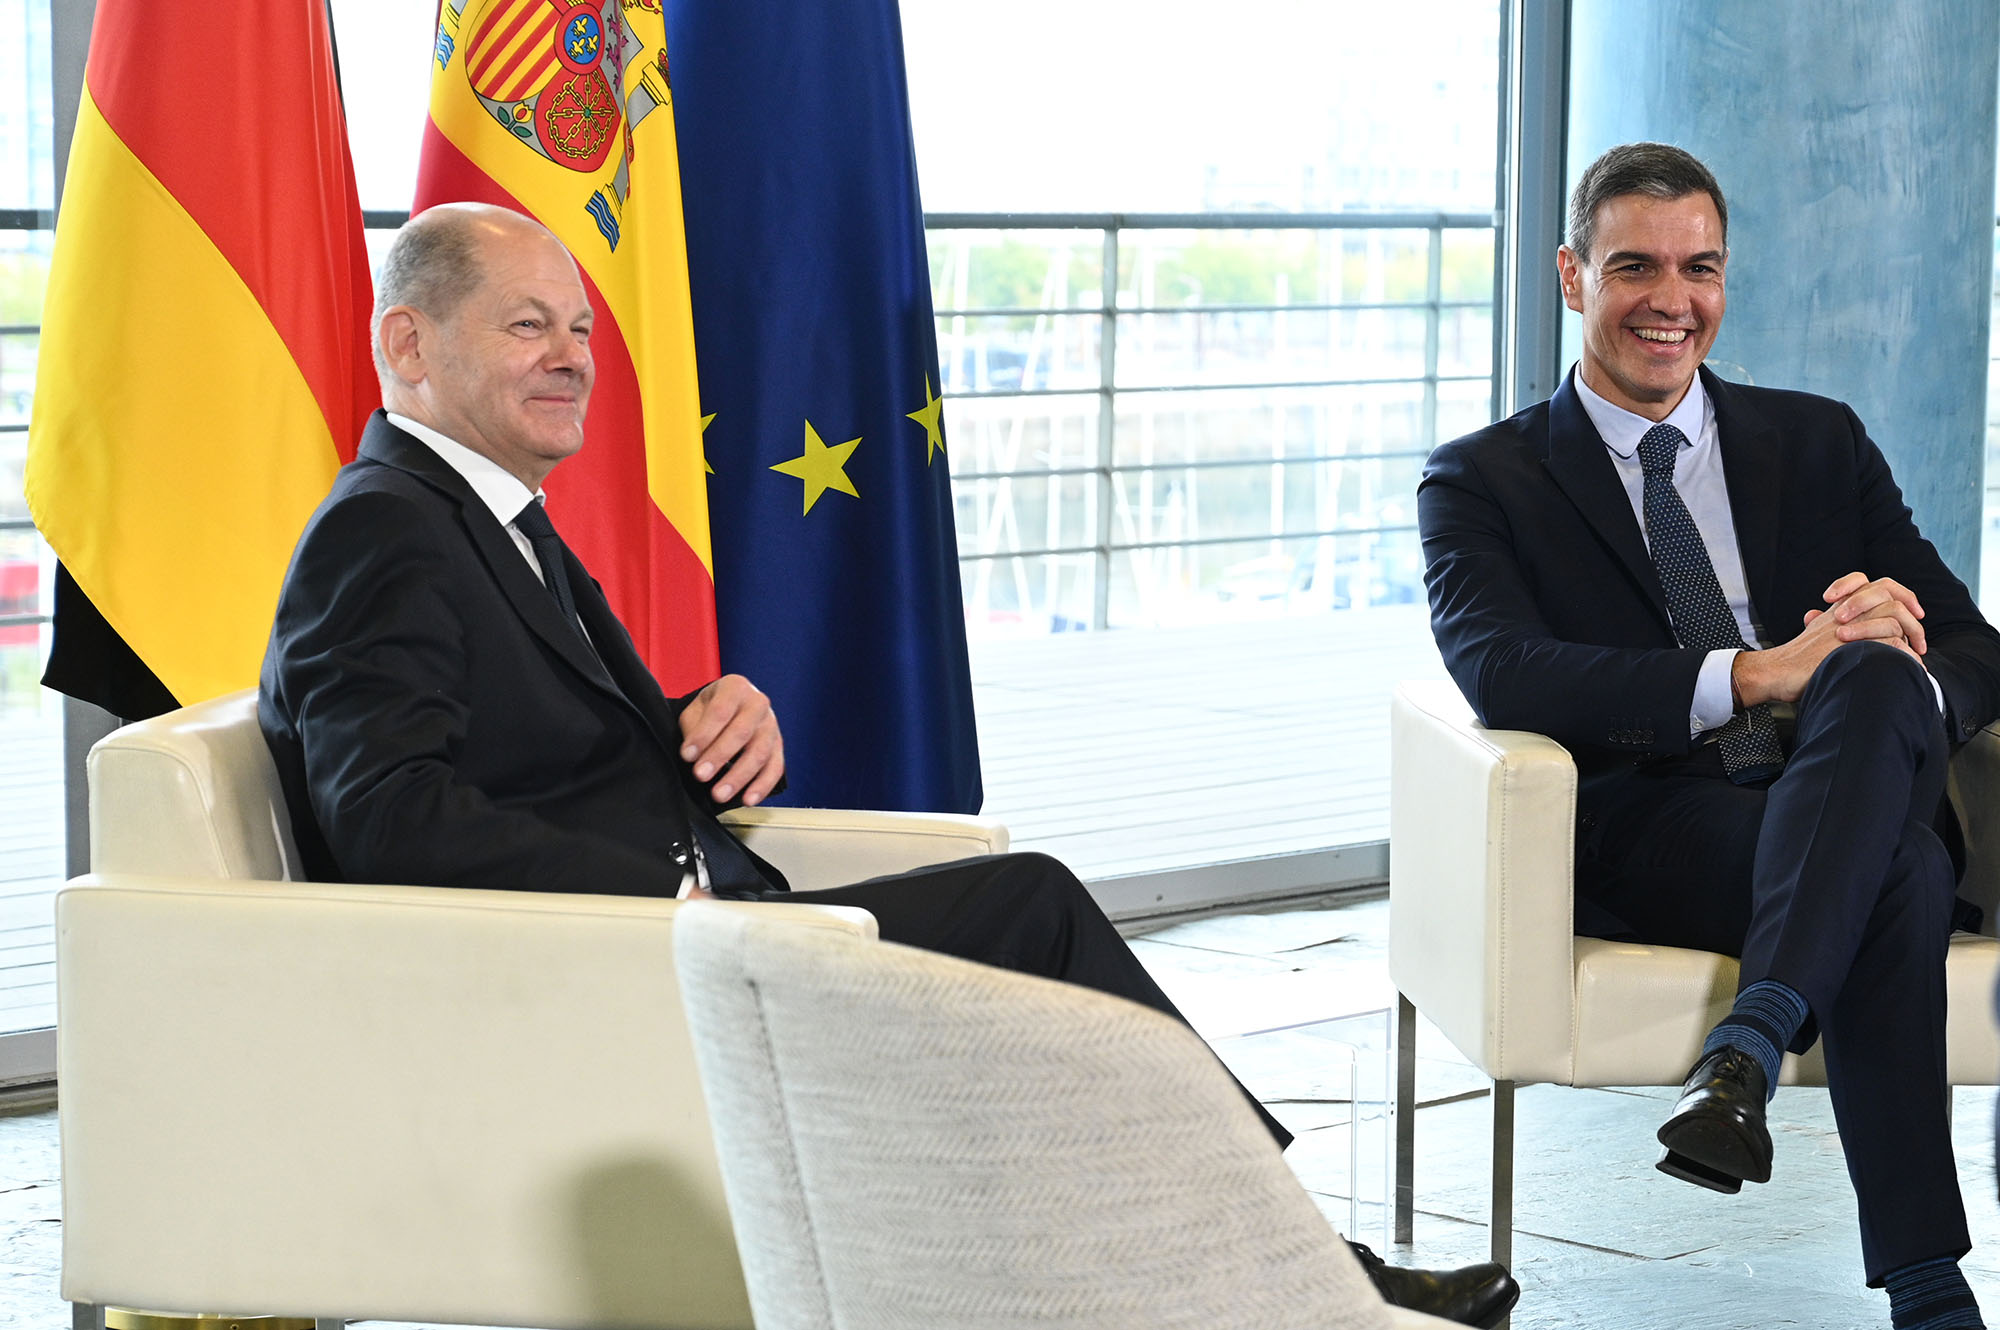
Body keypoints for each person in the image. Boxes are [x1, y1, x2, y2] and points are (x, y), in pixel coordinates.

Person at [258, 201, 1519, 1329]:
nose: (574, 356)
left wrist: (709, 718)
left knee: (1033, 949)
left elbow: (544, 742)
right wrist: (668, 898)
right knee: (1029, 910)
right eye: (528, 324)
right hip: (614, 977)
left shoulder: (490, 520)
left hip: (697, 938)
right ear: (408, 347)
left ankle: (1239, 1267)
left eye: (580, 326)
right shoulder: (385, 528)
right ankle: (1296, 1269)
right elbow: (392, 820)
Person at [1420, 141, 2000, 1328]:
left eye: (1701, 269)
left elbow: (1976, 647)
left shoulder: (1817, 440)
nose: (1670, 302)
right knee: (1892, 864)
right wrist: (1753, 673)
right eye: (1634, 266)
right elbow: (1498, 666)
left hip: (1842, 780)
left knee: (1886, 676)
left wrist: (1883, 673)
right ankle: (1928, 1289)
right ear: (1573, 276)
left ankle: (1746, 1046)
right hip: (1660, 823)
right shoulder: (1482, 479)